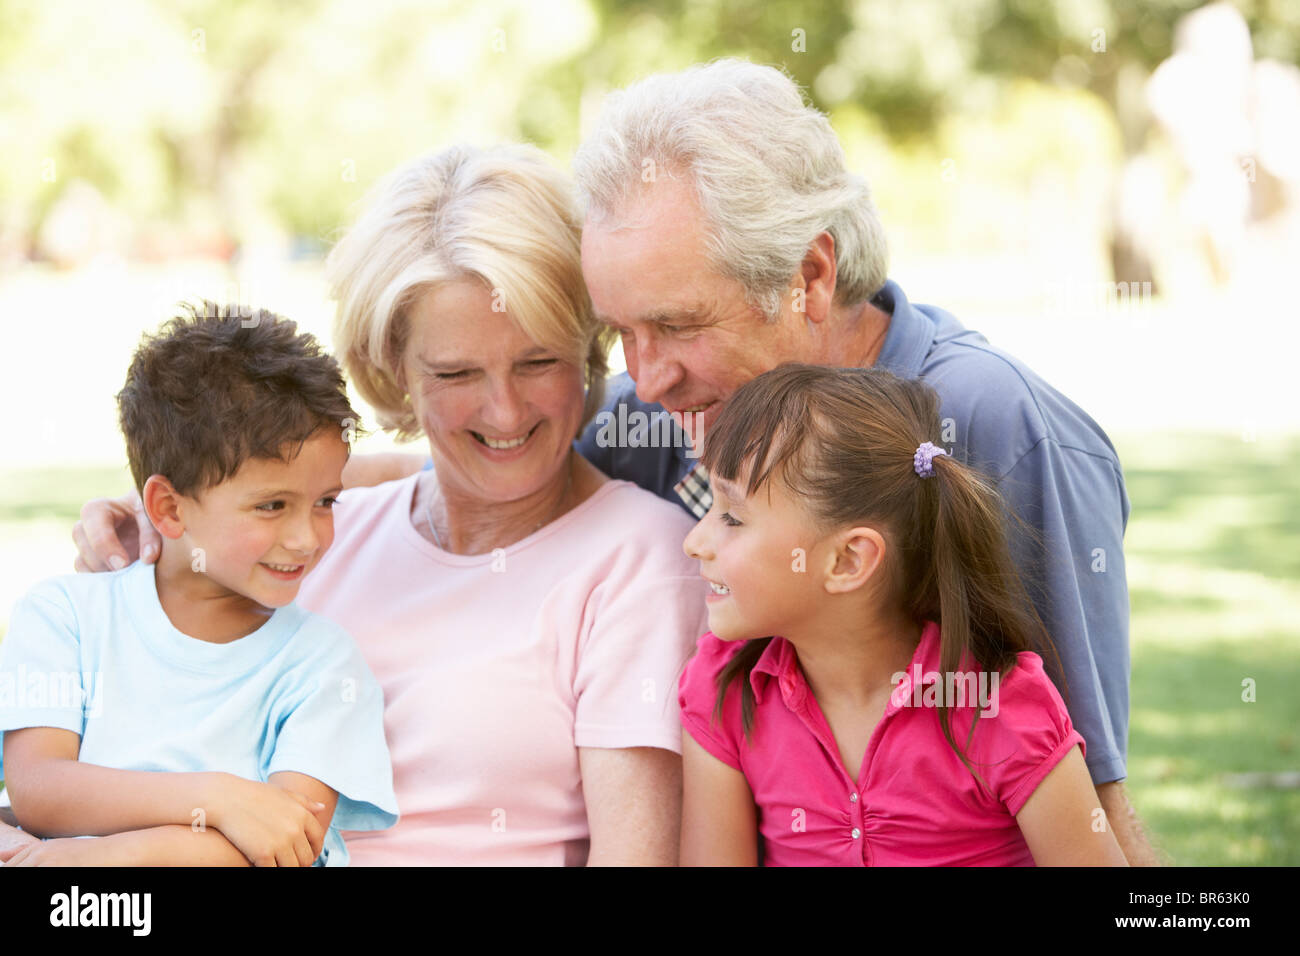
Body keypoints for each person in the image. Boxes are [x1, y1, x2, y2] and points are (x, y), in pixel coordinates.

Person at [569, 59, 1158, 865]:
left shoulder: (992, 427)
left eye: (677, 323)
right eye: (619, 333)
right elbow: (496, 471)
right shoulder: (657, 412)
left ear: (810, 277)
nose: (646, 378)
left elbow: (1093, 792)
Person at [49, 144, 707, 865]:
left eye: (539, 361)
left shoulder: (640, 561)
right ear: (394, 366)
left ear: (588, 350)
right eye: (456, 371)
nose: (506, 409)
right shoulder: (313, 534)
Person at [677, 364, 1129, 867]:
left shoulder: (998, 709)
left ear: (848, 560)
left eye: (732, 518)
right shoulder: (723, 686)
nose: (694, 542)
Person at [0, 303, 397, 866]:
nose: (308, 537)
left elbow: (286, 844)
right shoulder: (63, 616)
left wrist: (68, 863)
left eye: (326, 502)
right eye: (272, 505)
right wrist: (219, 799)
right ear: (167, 508)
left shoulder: (325, 666)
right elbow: (40, 790)